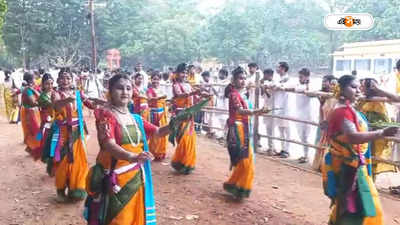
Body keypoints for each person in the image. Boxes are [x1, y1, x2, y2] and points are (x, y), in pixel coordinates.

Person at [85, 74, 171, 225]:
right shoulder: (106, 115)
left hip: (136, 177)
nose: (125, 92)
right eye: (119, 88)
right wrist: (132, 156)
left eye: (128, 88)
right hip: (116, 179)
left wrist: (176, 123)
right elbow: (108, 144)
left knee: (134, 217)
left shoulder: (135, 118)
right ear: (110, 91)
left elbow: (158, 132)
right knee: (119, 219)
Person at [322, 75, 397, 225]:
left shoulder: (347, 109)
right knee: (355, 207)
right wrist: (381, 133)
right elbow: (353, 137)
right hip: (347, 166)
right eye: (353, 87)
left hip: (352, 164)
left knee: (356, 206)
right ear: (341, 90)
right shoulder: (342, 112)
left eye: (358, 87)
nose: (357, 91)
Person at [44, 69, 99, 202]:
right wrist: (68, 99)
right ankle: (61, 190)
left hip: (77, 133)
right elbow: (56, 105)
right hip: (62, 132)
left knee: (79, 161)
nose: (65, 81)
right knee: (62, 161)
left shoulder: (78, 93)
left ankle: (76, 188)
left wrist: (99, 102)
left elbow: (91, 105)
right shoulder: (55, 94)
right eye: (62, 78)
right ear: (58, 80)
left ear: (72, 80)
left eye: (68, 78)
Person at [223, 67, 264, 199]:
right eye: (240, 78)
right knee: (243, 159)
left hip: (245, 128)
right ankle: (238, 186)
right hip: (237, 129)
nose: (243, 81)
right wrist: (257, 111)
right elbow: (240, 111)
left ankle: (236, 185)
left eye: (245, 78)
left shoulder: (243, 94)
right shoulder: (234, 95)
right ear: (234, 80)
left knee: (247, 159)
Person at [357, 78, 396, 180]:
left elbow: (382, 120)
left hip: (373, 135)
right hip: (363, 134)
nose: (360, 88)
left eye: (363, 86)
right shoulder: (362, 99)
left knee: (371, 159)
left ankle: (370, 182)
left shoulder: (378, 101)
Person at [171, 63, 201, 174]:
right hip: (180, 114)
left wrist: (202, 96)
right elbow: (179, 95)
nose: (184, 74)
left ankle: (187, 163)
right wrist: (193, 92)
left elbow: (194, 97)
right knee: (183, 139)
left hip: (190, 114)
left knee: (190, 139)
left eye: (185, 72)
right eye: (182, 72)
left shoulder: (188, 85)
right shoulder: (175, 85)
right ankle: (181, 162)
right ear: (177, 74)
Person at [312, 75, 338, 171]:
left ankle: (327, 166)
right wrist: (322, 121)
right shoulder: (326, 97)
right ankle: (320, 164)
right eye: (331, 84)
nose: (332, 86)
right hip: (325, 124)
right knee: (322, 143)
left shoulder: (337, 99)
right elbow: (322, 109)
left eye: (334, 84)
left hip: (332, 126)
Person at [272, 62, 292, 158]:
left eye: (278, 67)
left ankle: (287, 150)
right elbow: (273, 85)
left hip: (286, 106)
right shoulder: (277, 78)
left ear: (283, 68)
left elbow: (285, 87)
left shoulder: (288, 79)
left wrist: (278, 86)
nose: (277, 68)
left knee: (287, 129)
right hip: (278, 106)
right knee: (280, 129)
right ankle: (282, 149)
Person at [147, 72, 168, 160]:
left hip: (162, 113)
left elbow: (165, 100)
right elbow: (150, 99)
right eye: (154, 79)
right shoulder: (149, 90)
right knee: (155, 132)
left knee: (163, 132)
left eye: (157, 79)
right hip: (154, 114)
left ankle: (161, 152)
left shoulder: (162, 89)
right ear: (151, 80)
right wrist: (160, 97)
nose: (155, 81)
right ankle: (154, 152)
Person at [20, 72, 41, 157]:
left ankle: (32, 148)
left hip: (32, 111)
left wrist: (34, 90)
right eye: (34, 78)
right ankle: (35, 148)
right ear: (30, 80)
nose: (35, 80)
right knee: (35, 130)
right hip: (30, 112)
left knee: (33, 130)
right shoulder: (28, 90)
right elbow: (34, 102)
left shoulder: (31, 89)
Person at [35, 73, 56, 160]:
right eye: (47, 83)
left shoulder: (54, 93)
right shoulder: (42, 97)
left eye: (51, 83)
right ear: (43, 84)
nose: (50, 86)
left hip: (54, 118)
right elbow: (53, 105)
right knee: (47, 140)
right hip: (47, 120)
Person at [294, 68, 313, 163]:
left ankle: (307, 156)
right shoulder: (299, 84)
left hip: (307, 113)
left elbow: (308, 91)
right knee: (301, 135)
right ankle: (304, 154)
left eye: (301, 77)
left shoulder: (310, 85)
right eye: (299, 76)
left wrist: (306, 85)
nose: (299, 78)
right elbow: (295, 88)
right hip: (299, 112)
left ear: (306, 77)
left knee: (306, 135)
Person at [261, 68, 276, 154]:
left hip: (272, 107)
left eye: (265, 75)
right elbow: (262, 95)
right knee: (268, 128)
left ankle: (272, 148)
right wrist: (263, 87)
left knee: (271, 129)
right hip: (266, 106)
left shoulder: (274, 83)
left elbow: (269, 95)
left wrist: (265, 88)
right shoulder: (265, 82)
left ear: (269, 75)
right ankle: (270, 147)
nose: (264, 77)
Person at [200, 71, 218, 137]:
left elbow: (215, 93)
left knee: (211, 116)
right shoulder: (203, 83)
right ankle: (208, 131)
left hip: (210, 101)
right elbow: (201, 91)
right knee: (206, 116)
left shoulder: (212, 83)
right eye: (203, 77)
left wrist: (210, 88)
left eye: (205, 77)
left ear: (207, 76)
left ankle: (211, 131)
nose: (204, 78)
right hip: (205, 101)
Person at [215, 68, 230, 143]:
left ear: (225, 75)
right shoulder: (219, 81)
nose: (220, 75)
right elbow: (216, 91)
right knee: (220, 119)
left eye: (221, 74)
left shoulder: (227, 82)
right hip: (220, 101)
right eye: (219, 73)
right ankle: (222, 135)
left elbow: (225, 93)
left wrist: (218, 94)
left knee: (225, 119)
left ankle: (225, 135)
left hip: (225, 102)